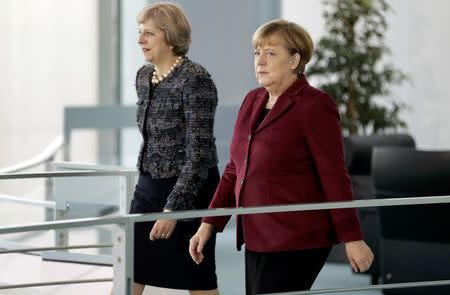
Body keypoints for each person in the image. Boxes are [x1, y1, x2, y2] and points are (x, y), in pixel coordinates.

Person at [189, 19, 374, 295]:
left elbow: (334, 175)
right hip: (257, 234)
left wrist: (353, 237)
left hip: (297, 237)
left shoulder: (315, 105)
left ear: (294, 60)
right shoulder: (252, 100)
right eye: (257, 53)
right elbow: (233, 170)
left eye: (271, 53)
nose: (260, 61)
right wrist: (209, 223)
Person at [129, 3, 220, 295]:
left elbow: (199, 153)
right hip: (148, 186)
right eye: (139, 33)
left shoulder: (196, 79)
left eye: (149, 33)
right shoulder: (144, 77)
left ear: (169, 37)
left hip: (190, 189)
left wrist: (173, 209)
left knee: (196, 275)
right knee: (131, 267)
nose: (140, 40)